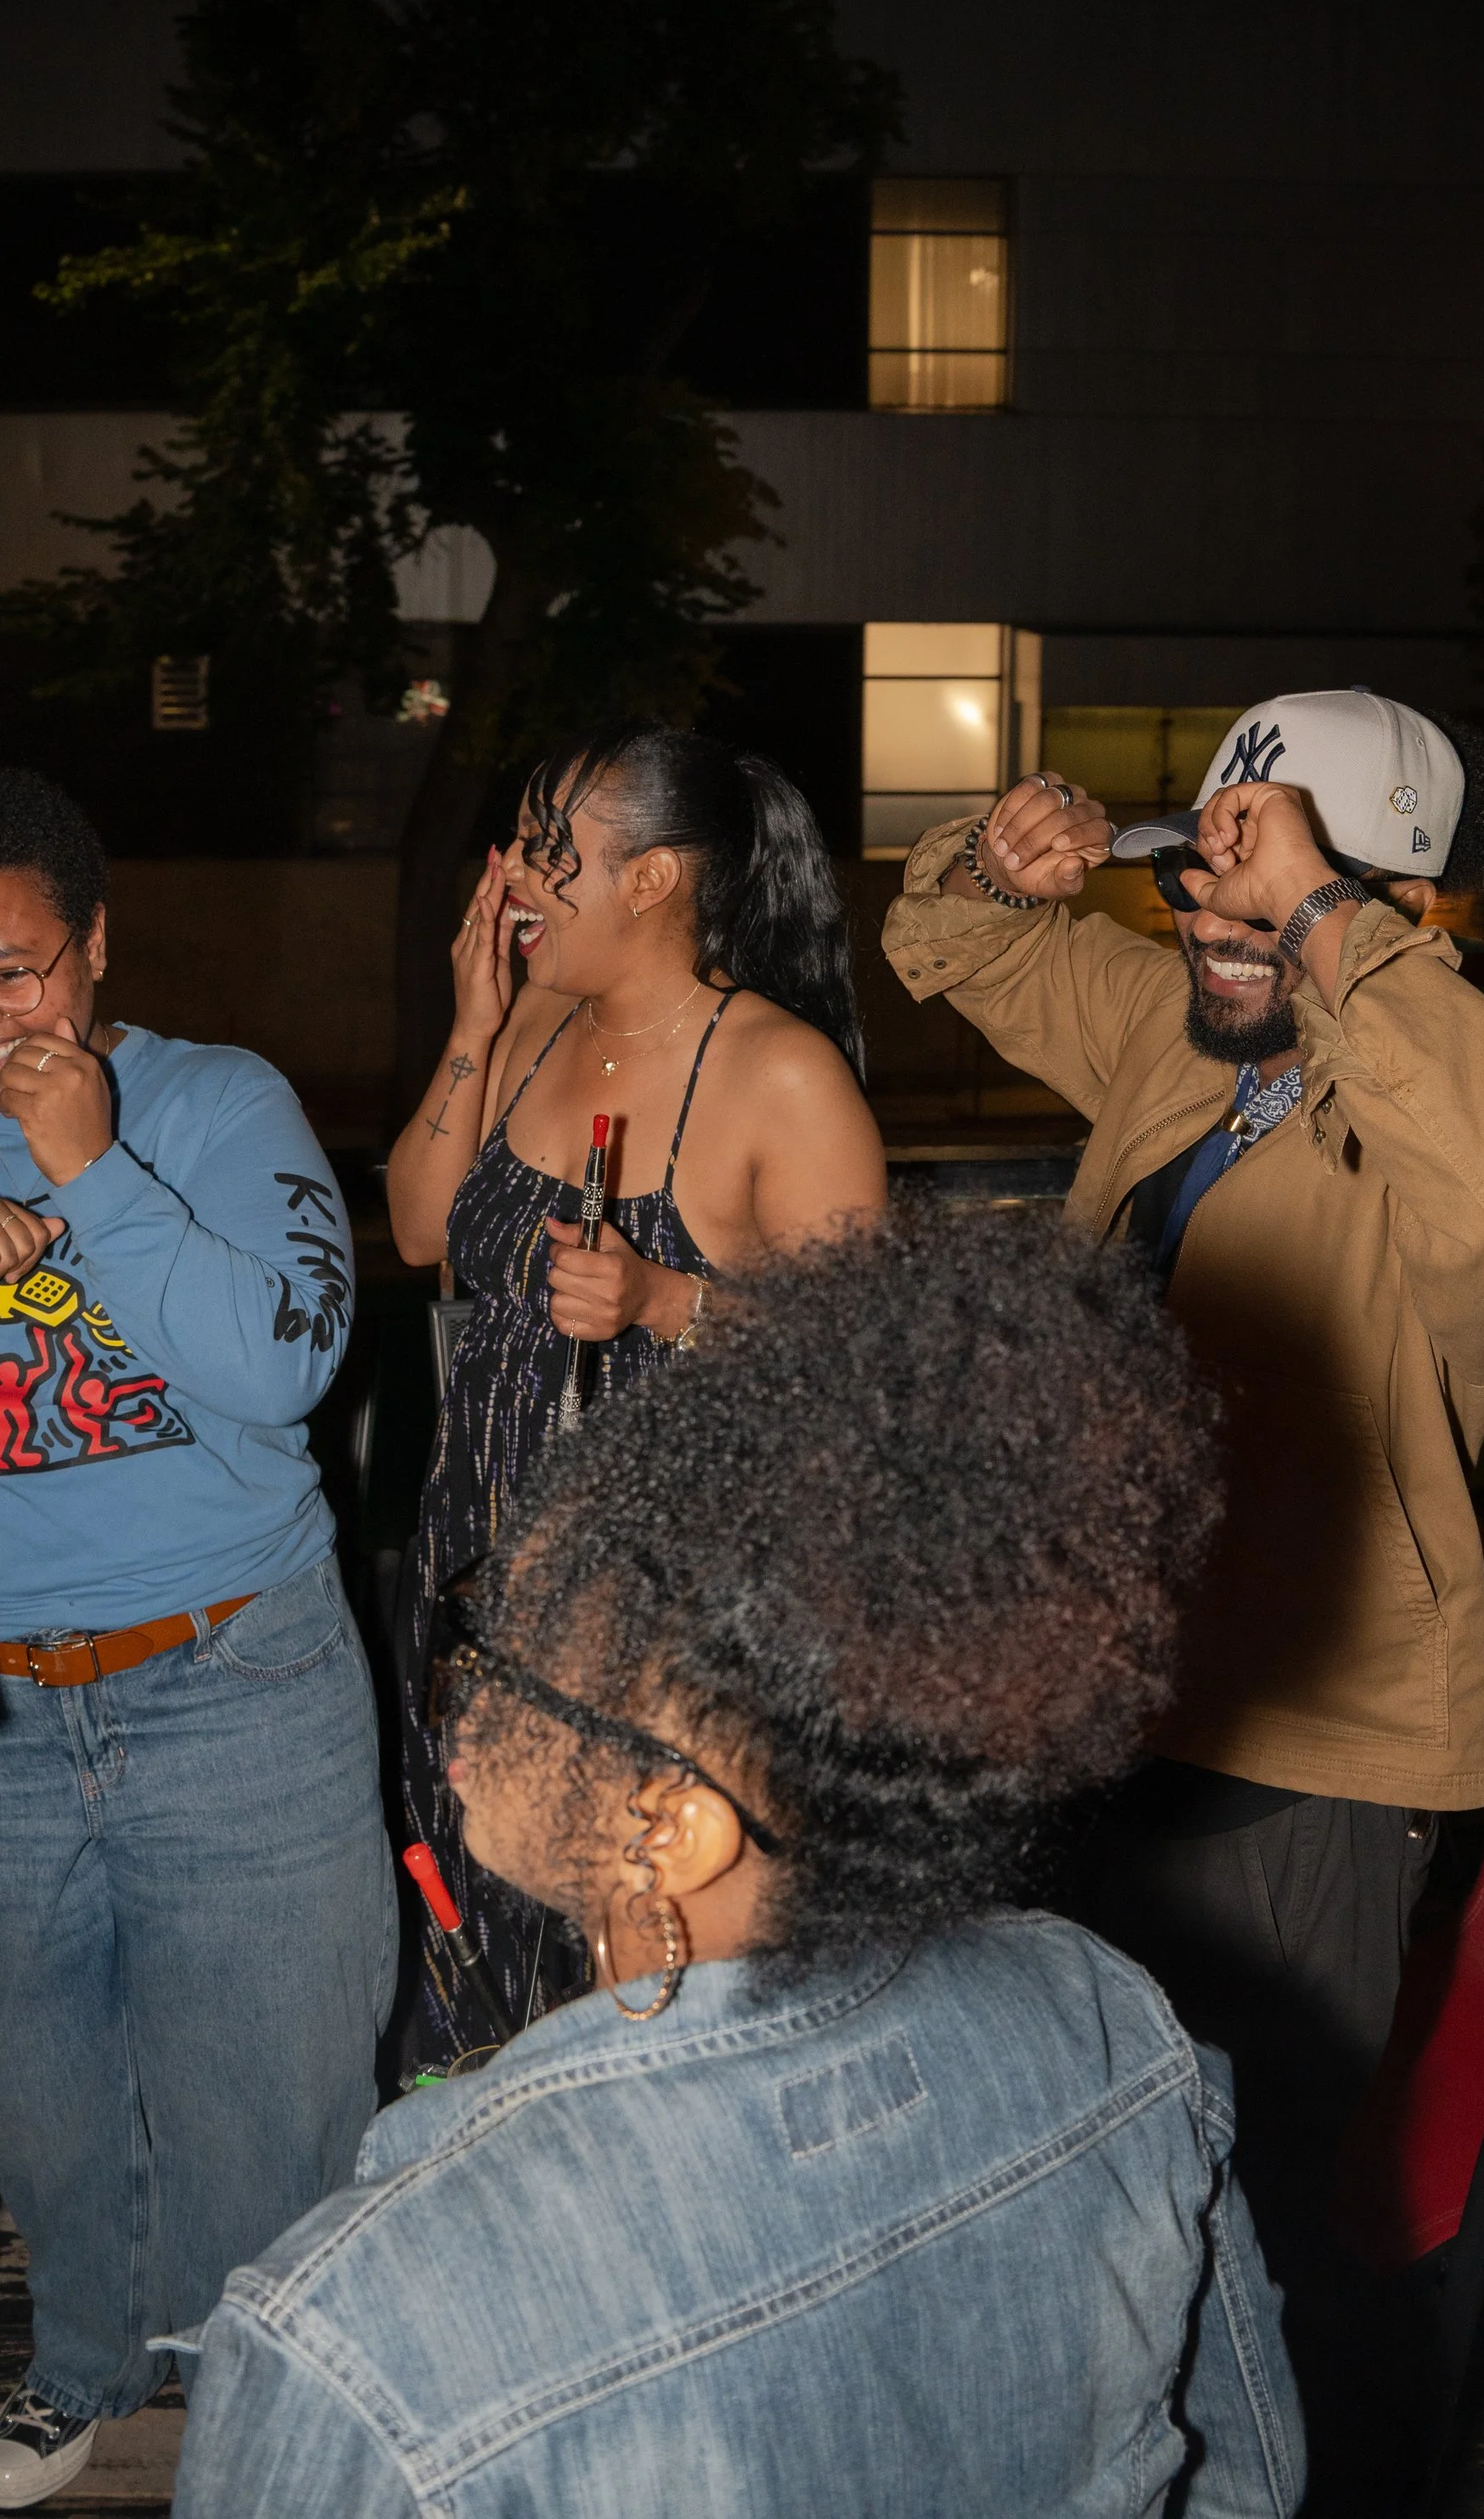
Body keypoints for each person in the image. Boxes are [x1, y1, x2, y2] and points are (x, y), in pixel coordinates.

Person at [162, 1206, 1302, 2518]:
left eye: (510, 1659)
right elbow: (1243, 2485)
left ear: (673, 1826)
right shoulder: (1104, 2019)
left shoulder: (358, 2336)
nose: (460, 1712)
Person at [880, 689, 1484, 2507]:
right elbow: (944, 939)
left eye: (1255, 911)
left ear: (1390, 914)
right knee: (1092, 2182)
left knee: (1269, 2225)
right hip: (1105, 1705)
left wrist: (1316, 927)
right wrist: (999, 850)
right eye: (1191, 897)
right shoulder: (1194, 1039)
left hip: (1316, 1745)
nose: (1204, 938)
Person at [0, 768, 392, 2511]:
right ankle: (92, 2354)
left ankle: (252, 2380)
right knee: (41, 2086)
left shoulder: (219, 1105)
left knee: (268, 2086)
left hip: (237, 1678)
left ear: (94, 951)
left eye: (14, 971)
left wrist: (86, 1171)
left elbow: (278, 1364)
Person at [385, 722, 887, 2060]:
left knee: (619, 1968)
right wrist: (473, 1025)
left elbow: (863, 1372)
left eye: (555, 851)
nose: (515, 875)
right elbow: (422, 1228)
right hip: (473, 1567)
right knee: (473, 1934)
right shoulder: (537, 1022)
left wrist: (670, 1302)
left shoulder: (779, 1072)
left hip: (652, 1626)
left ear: (656, 879)